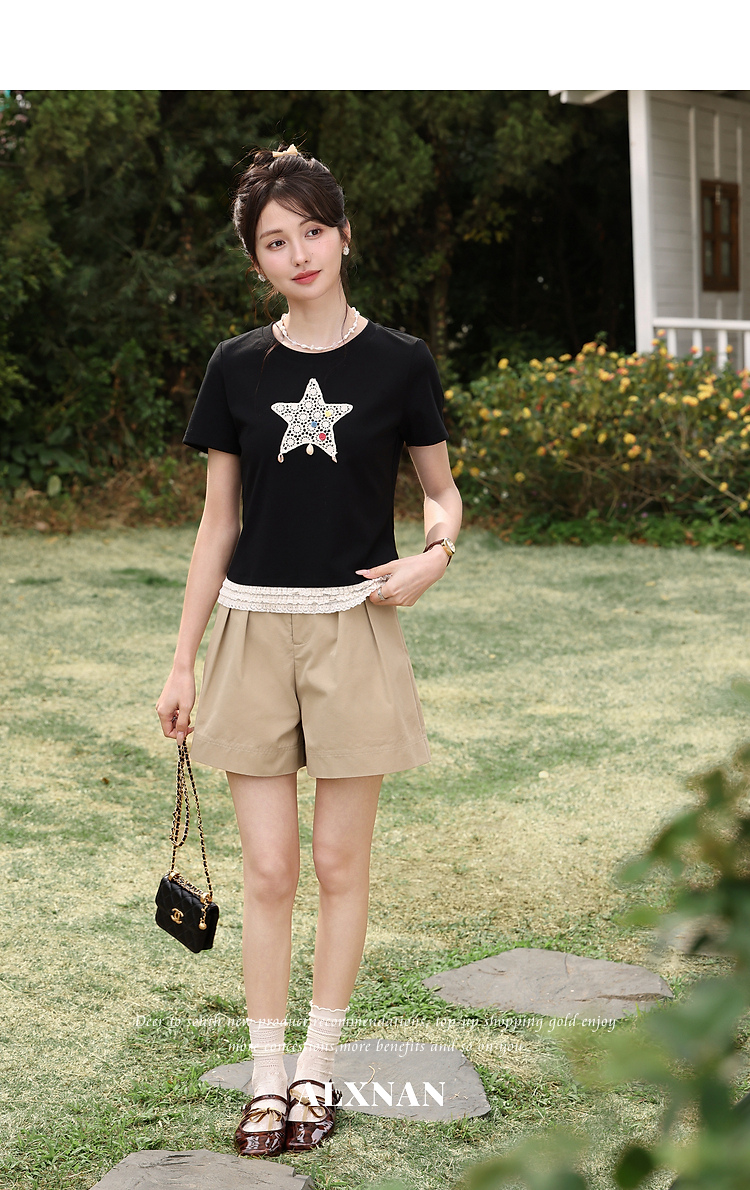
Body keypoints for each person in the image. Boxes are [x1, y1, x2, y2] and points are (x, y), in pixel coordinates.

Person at [155, 142, 462, 1159]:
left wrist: (435, 554)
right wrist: (182, 658)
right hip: (251, 627)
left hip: (355, 626)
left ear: (344, 234)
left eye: (313, 231)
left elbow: (441, 491)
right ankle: (265, 1076)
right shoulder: (236, 366)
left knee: (338, 860)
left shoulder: (400, 362)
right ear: (256, 260)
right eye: (275, 241)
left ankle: (317, 1070)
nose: (299, 254)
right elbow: (216, 523)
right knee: (269, 866)